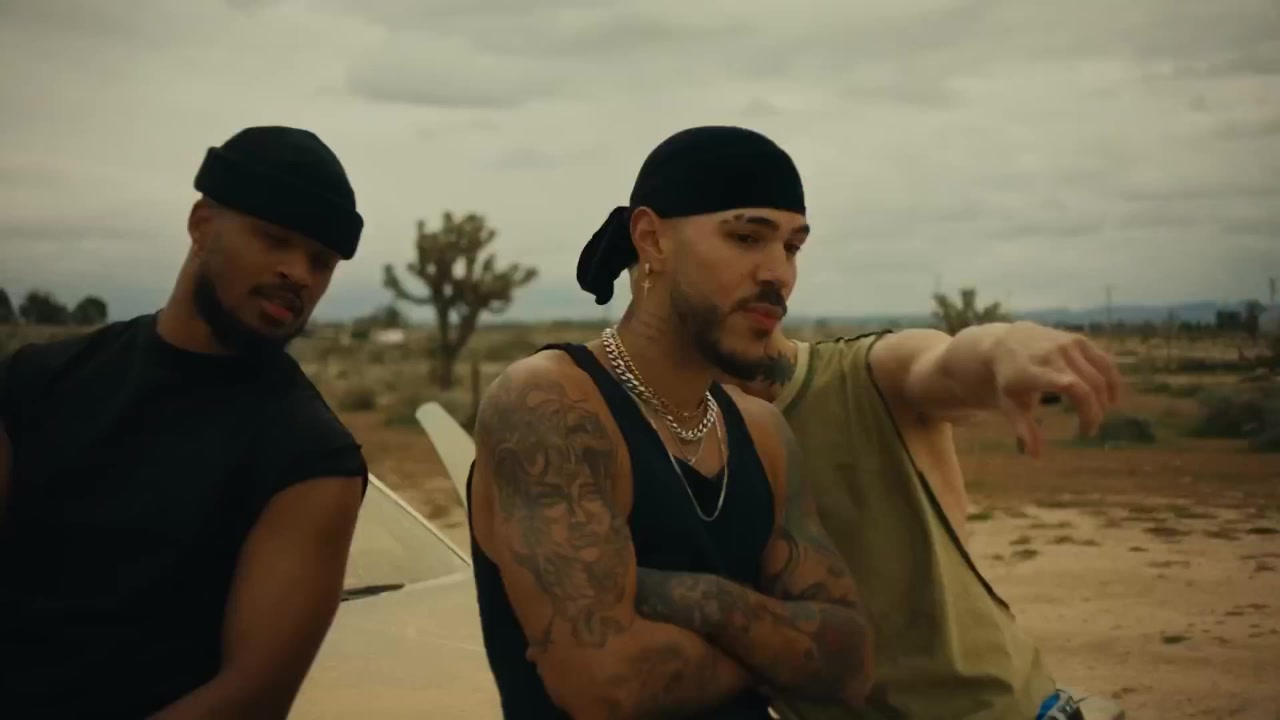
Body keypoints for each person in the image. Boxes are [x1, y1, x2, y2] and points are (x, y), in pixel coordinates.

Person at [465, 125, 875, 719]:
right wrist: (776, 658)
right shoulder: (552, 406)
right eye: (746, 237)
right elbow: (608, 685)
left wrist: (705, 601)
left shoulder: (762, 433)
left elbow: (850, 662)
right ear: (652, 240)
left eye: (791, 248)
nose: (778, 274)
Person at [0, 125, 369, 719]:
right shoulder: (37, 381)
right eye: (275, 239)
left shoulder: (311, 459)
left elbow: (252, 697)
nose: (300, 273)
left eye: (320, 261)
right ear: (202, 225)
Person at [724, 320, 1129, 720]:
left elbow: (944, 364)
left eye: (787, 258)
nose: (770, 279)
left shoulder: (864, 378)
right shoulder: (694, 443)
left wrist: (1002, 343)